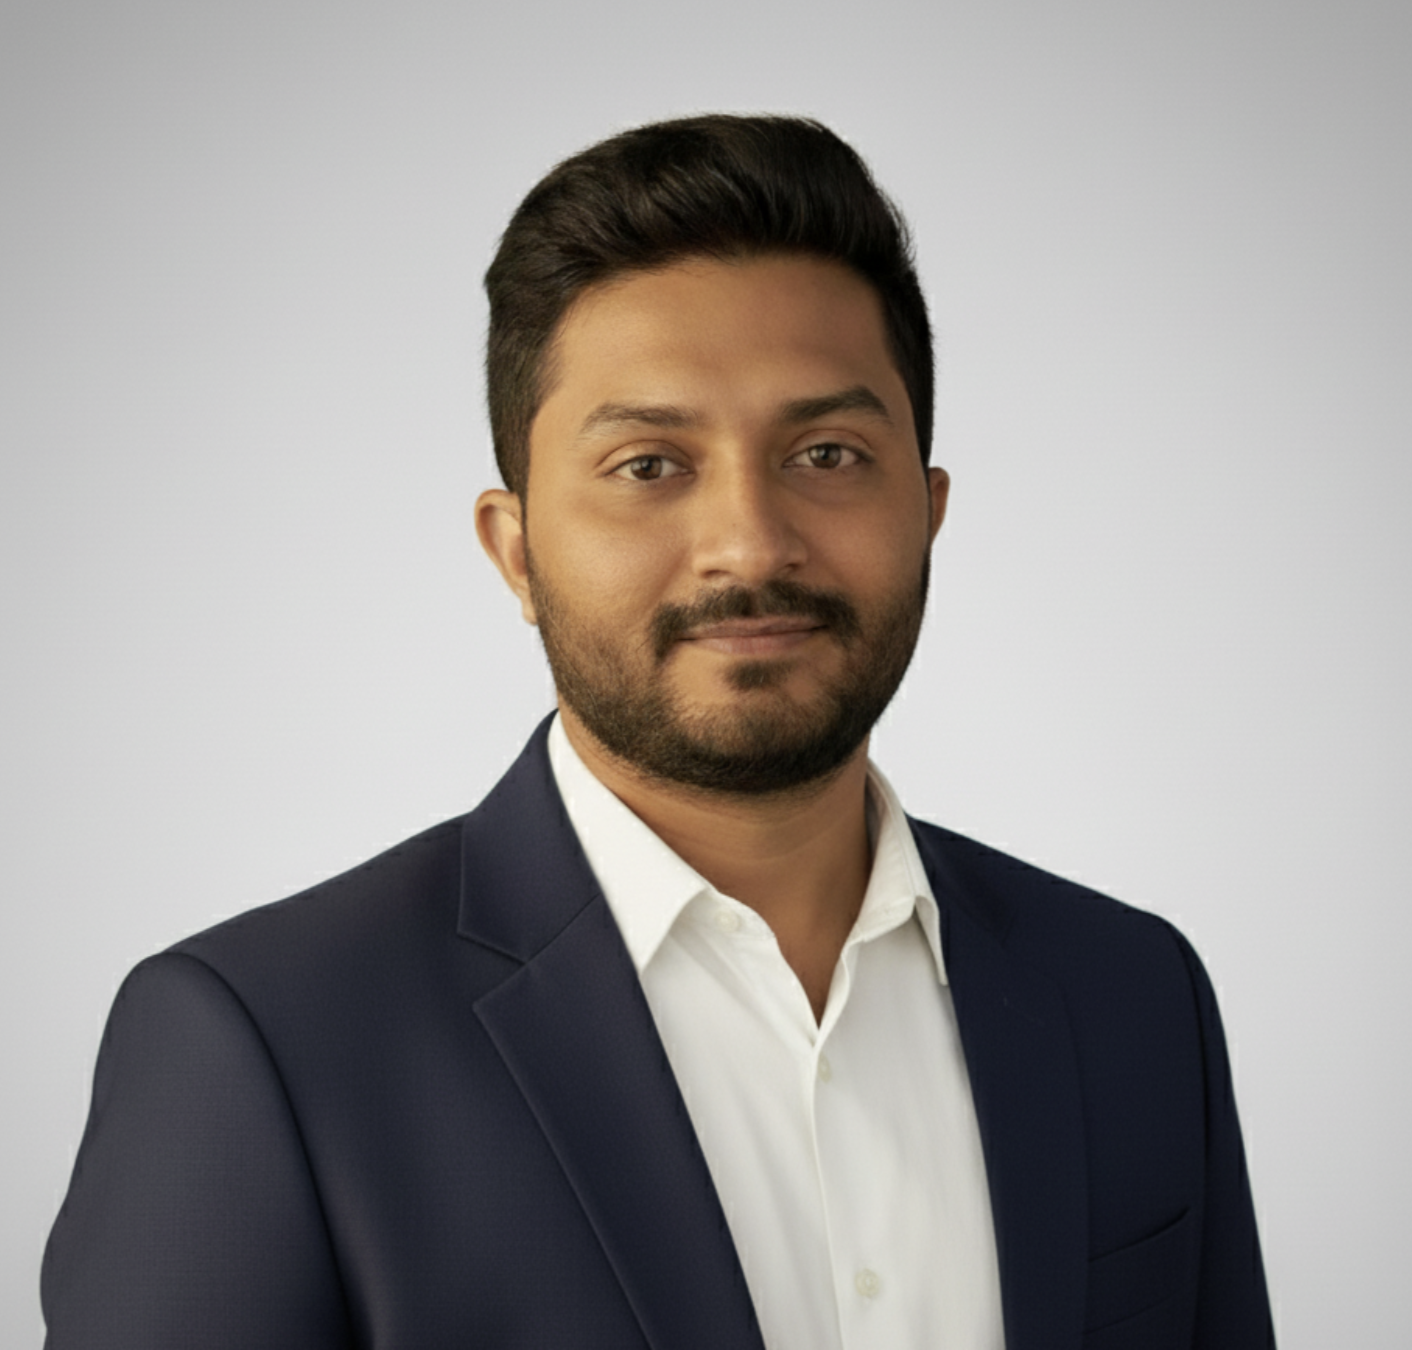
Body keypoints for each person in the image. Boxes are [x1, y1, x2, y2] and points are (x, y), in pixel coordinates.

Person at [41, 114, 1275, 1350]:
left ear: (927, 510)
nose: (750, 542)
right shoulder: (261, 1043)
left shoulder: (1128, 993)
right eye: (648, 465)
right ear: (514, 551)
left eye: (827, 452)